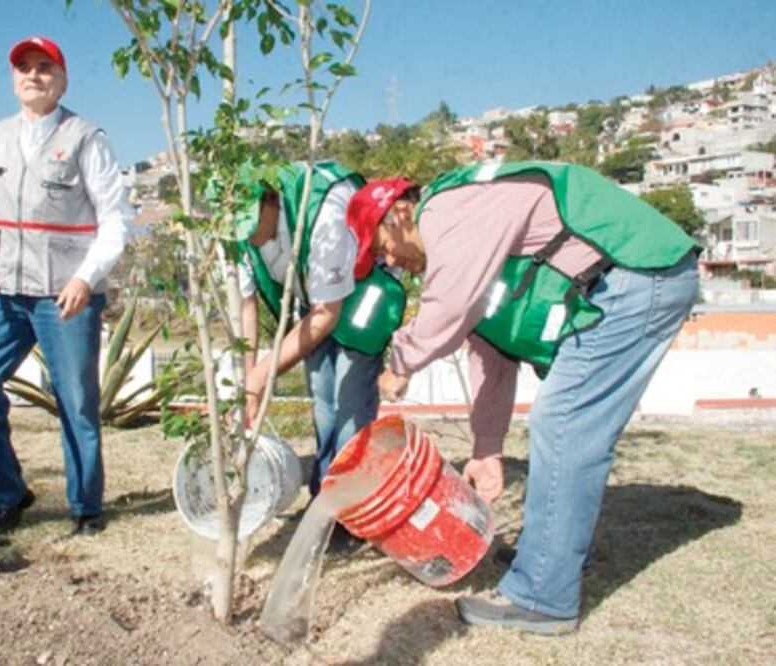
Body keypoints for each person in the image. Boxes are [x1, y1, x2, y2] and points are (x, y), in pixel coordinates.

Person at [375, 161, 699, 634]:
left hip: (633, 276)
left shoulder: (444, 212)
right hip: (628, 278)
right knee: (565, 423)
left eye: (381, 247)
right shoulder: (476, 245)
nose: (388, 263)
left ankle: (544, 596)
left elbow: (447, 310)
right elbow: (492, 355)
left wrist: (398, 363)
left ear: (400, 213)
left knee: (563, 422)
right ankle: (549, 559)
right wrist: (487, 448)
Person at [0, 36, 133, 536]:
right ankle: (10, 493)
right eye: (24, 68)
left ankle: (86, 508)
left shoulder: (86, 137)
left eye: (44, 67)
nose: (33, 76)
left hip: (66, 293)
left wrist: (86, 277)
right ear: (14, 79)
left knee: (77, 401)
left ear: (62, 80)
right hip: (3, 293)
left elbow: (117, 219)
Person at [237, 162, 417, 501]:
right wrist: (250, 385)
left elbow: (326, 316)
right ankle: (326, 499)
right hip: (316, 300)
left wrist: (261, 376)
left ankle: (352, 507)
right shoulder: (237, 236)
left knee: (349, 403)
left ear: (272, 202)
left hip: (363, 292)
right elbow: (247, 307)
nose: (249, 234)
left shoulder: (325, 216)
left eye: (252, 222)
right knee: (323, 402)